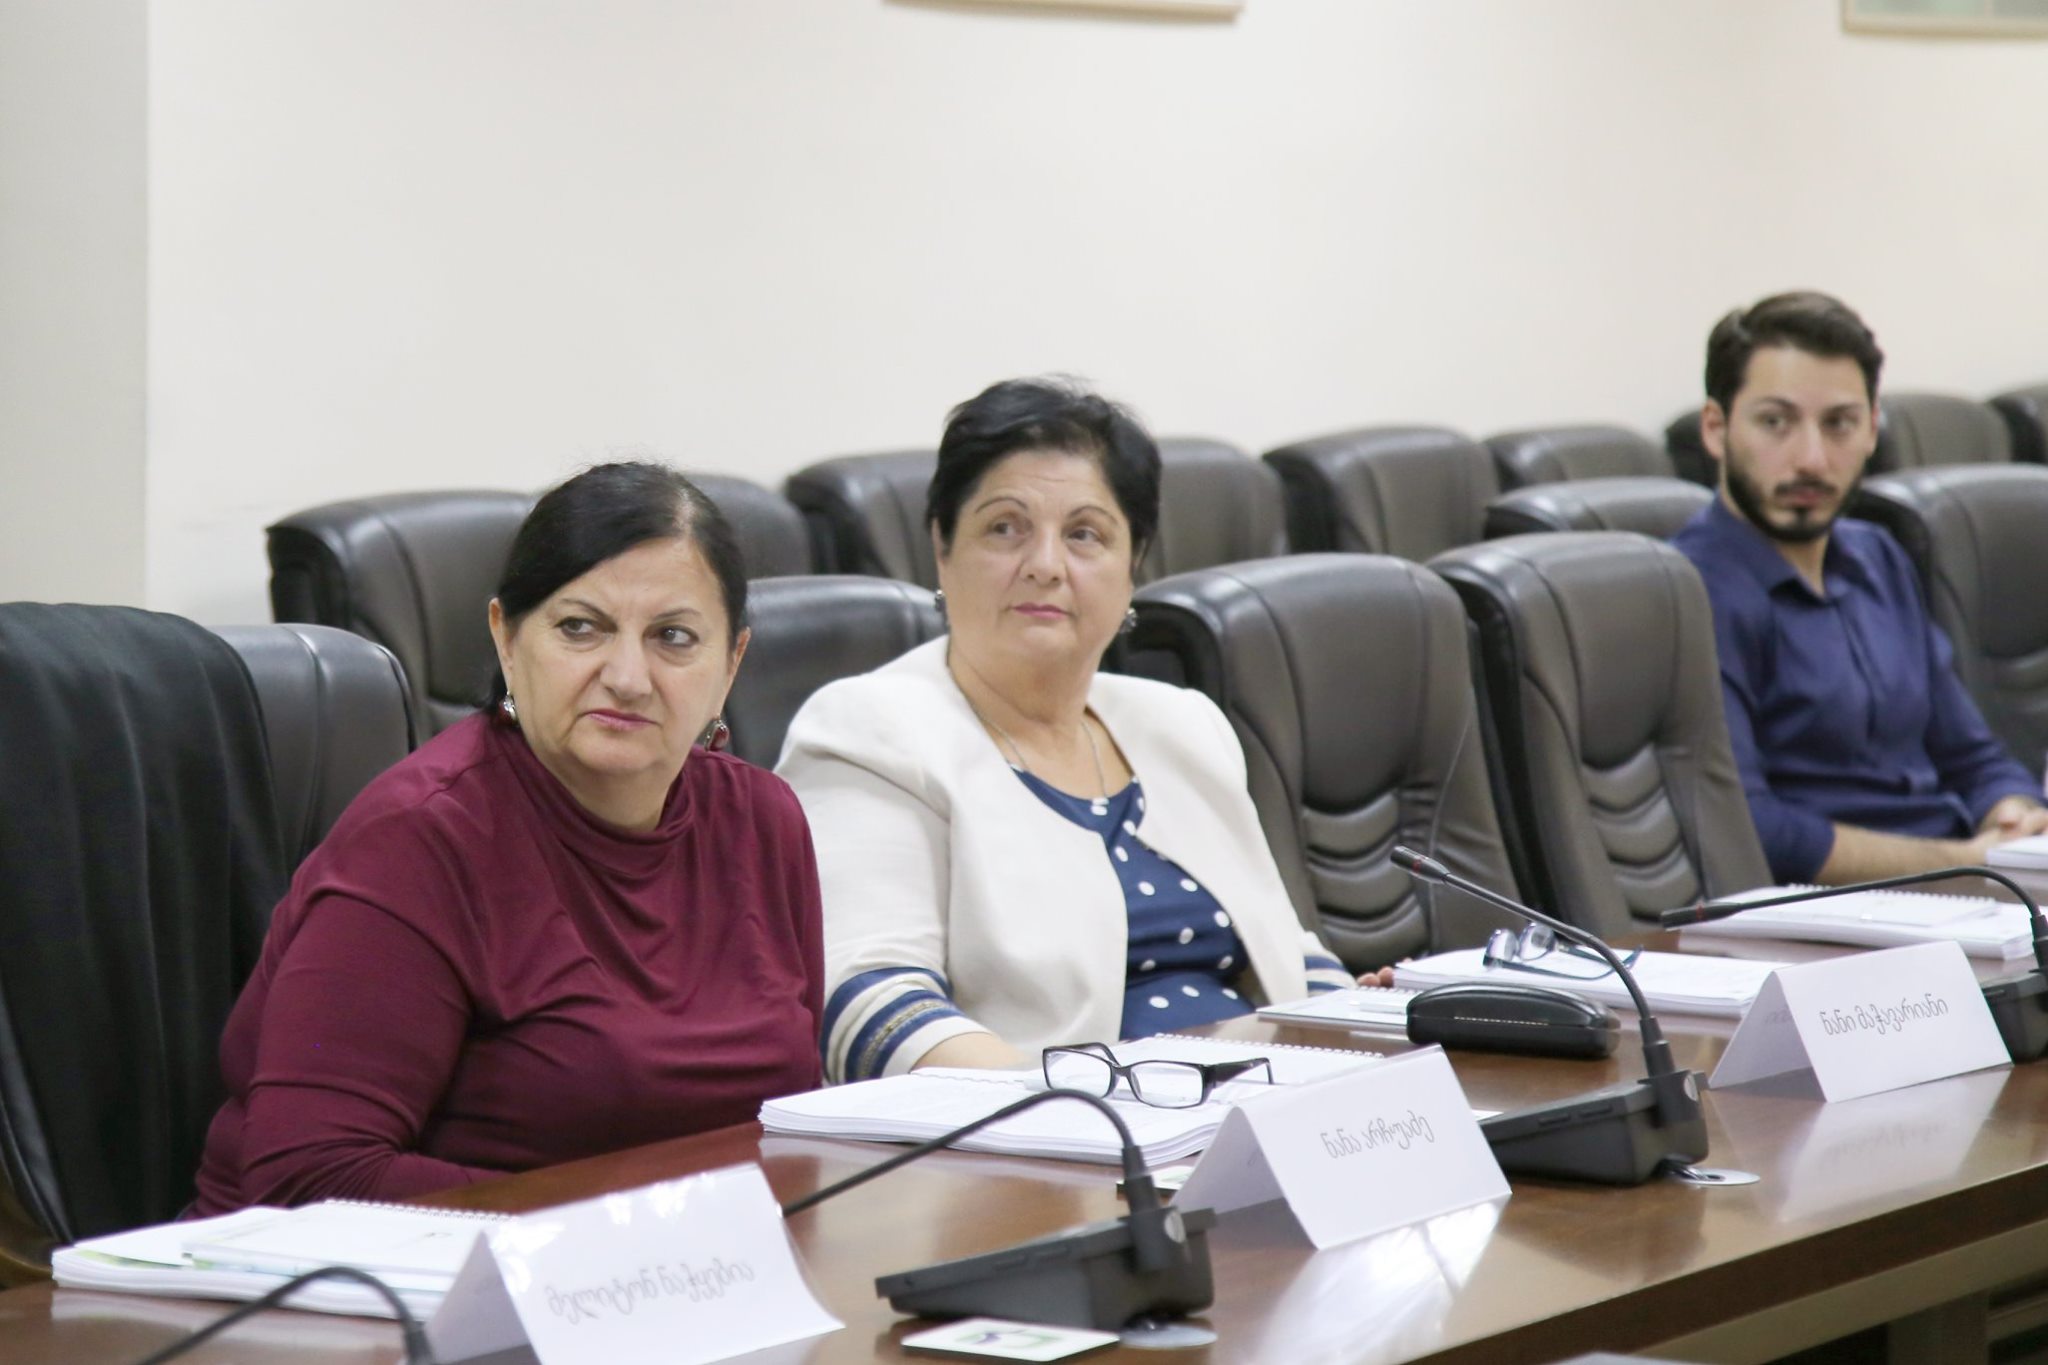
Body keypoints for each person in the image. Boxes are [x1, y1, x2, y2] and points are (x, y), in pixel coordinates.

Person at [192, 463, 823, 1213]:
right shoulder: (420, 841)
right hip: (372, 1276)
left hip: (681, 1270)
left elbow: (790, 1116)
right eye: (580, 627)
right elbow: (312, 1175)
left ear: (730, 664)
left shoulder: (763, 821)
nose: (628, 676)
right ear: (507, 639)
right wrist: (618, 1229)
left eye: (673, 637)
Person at [778, 378, 1367, 1085]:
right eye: (1005, 528)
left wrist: (1367, 1042)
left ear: (1132, 564)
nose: (1045, 565)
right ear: (943, 548)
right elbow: (867, 1003)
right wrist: (1089, 1106)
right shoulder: (871, 730)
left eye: (1085, 534)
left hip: (1261, 1105)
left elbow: (1291, 954)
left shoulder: (1184, 724)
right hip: (1048, 1131)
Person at [1672, 291, 2047, 885]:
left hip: (1966, 887)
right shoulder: (1689, 593)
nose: (1811, 459)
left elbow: (1971, 752)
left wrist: (2013, 814)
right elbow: (1753, 828)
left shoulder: (1879, 556)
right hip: (1831, 910)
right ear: (1716, 430)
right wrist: (1968, 862)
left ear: (1872, 429)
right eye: (1775, 422)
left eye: (1839, 424)